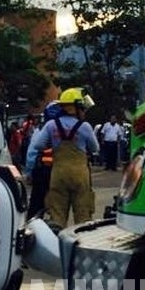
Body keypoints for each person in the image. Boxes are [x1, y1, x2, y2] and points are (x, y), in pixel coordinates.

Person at [25, 88, 99, 230]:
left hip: (58, 174)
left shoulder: (51, 125)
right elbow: (95, 148)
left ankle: (57, 245)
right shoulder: (85, 127)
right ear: (76, 108)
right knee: (83, 215)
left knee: (57, 214)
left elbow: (39, 145)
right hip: (80, 175)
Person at [26, 101, 63, 217]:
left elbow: (32, 153)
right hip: (59, 172)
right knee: (58, 205)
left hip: (42, 171)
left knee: (37, 204)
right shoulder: (66, 129)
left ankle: (35, 227)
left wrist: (29, 172)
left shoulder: (42, 130)